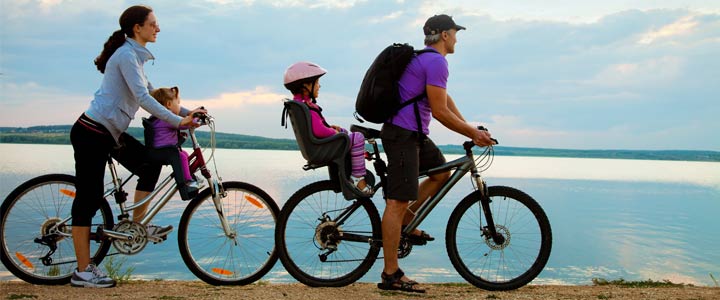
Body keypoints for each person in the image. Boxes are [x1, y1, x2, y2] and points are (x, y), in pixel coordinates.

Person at [69, 5, 205, 288]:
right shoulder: (126, 56)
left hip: (109, 133)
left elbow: (156, 96)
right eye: (153, 24)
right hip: (91, 132)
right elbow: (144, 99)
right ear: (137, 28)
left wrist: (190, 114)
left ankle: (137, 225)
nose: (158, 28)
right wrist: (179, 124)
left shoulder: (136, 58)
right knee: (89, 197)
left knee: (149, 162)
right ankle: (82, 271)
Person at [377, 14, 495, 293]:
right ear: (444, 35)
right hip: (402, 135)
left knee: (441, 173)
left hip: (414, 134)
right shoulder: (436, 61)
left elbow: (444, 100)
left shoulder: (428, 60)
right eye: (455, 33)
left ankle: (409, 220)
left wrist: (469, 125)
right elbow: (440, 112)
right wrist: (473, 135)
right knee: (396, 202)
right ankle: (390, 275)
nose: (457, 39)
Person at [283, 62, 372, 195]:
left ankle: (355, 168)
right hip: (321, 148)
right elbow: (319, 130)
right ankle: (358, 178)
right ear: (305, 86)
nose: (319, 86)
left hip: (319, 146)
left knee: (346, 134)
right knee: (358, 136)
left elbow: (318, 127)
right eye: (317, 82)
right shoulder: (307, 107)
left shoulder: (302, 104)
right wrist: (333, 132)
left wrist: (335, 130)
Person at [146, 86, 200, 200]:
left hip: (163, 150)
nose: (179, 107)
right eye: (178, 103)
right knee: (181, 156)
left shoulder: (160, 117)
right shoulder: (166, 118)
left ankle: (188, 176)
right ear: (169, 104)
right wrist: (195, 119)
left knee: (184, 154)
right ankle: (187, 181)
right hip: (163, 151)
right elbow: (183, 124)